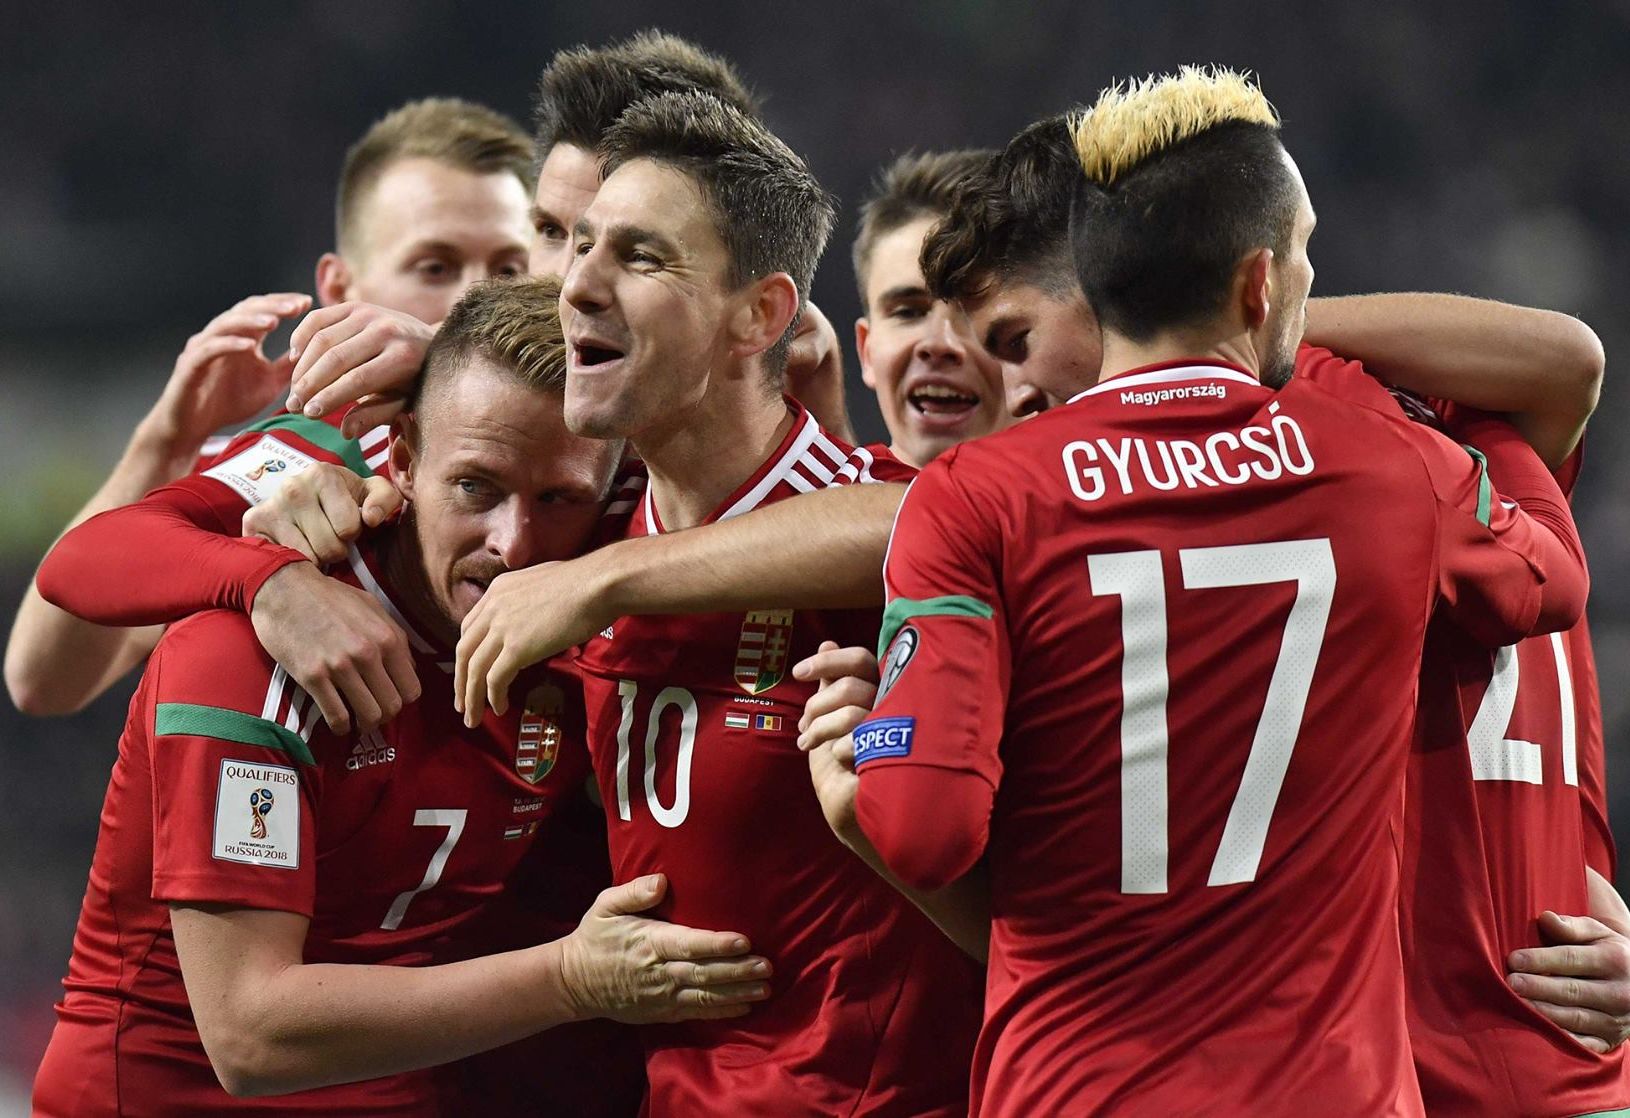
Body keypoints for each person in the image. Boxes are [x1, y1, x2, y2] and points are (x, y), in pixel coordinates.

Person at [848, 67, 1588, 1115]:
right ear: (1259, 285)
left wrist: (859, 768)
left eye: (1013, 342)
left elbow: (923, 831)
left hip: (1077, 1087)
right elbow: (1545, 581)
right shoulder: (1388, 462)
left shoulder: (974, 497)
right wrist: (1500, 452)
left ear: (1100, 284)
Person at [30, 277, 768, 1115]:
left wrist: (803, 374)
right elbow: (251, 1035)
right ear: (405, 460)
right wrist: (266, 582)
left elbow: (860, 519)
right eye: (475, 488)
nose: (513, 543)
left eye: (558, 499)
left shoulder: (609, 558)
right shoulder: (271, 603)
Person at [458, 90, 983, 1117]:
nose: (578, 284)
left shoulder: (860, 518)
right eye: (581, 246)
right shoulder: (576, 531)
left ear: (760, 316)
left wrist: (609, 579)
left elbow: (936, 524)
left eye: (640, 257)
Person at [6, 97, 535, 717]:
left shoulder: (587, 446)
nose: (474, 300)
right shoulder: (284, 461)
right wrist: (166, 449)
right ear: (340, 289)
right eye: (435, 267)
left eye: (509, 269)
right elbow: (44, 680)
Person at [287, 30, 852, 445]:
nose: (573, 283)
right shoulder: (389, 414)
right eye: (556, 234)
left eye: (636, 254)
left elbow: (878, 521)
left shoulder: (765, 395)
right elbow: (232, 506)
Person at [850, 149, 1007, 466]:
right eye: (908, 312)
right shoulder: (804, 497)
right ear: (866, 350)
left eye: (973, 310)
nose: (938, 344)